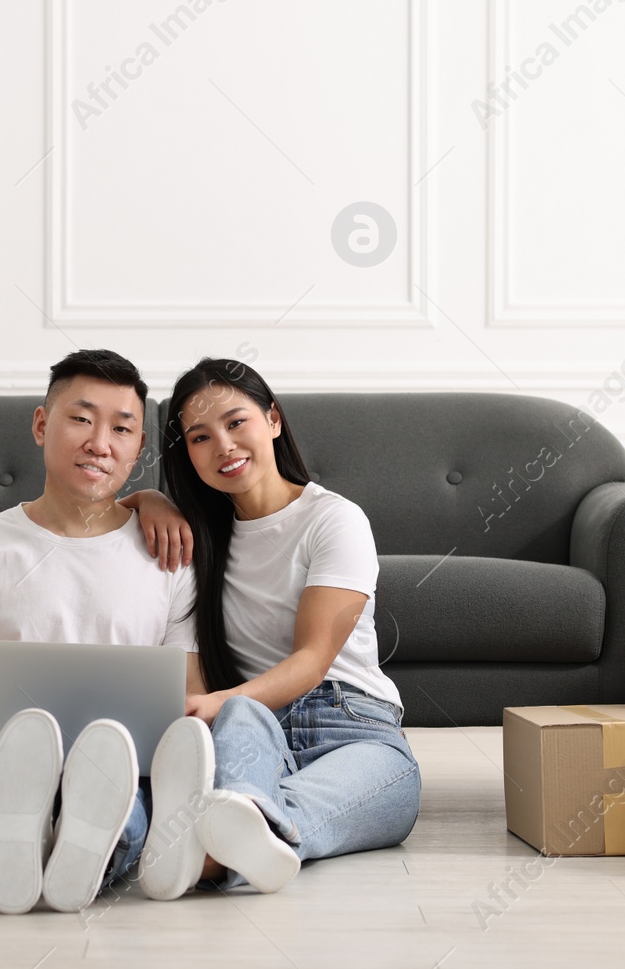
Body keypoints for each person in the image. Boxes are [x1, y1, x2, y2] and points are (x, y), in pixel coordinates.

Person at [0, 348, 210, 915]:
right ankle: (12, 845)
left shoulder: (171, 555)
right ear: (42, 424)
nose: (101, 442)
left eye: (122, 428)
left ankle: (81, 849)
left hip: (122, 762)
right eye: (82, 419)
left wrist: (88, 757)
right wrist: (45, 745)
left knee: (126, 793)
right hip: (2, 745)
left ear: (137, 450)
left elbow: (185, 701)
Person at [137, 356, 422, 898]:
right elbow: (98, 513)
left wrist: (213, 703)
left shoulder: (334, 519)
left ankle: (221, 841)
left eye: (235, 421)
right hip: (251, 727)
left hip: (351, 724)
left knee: (395, 787)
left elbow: (313, 660)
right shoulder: (197, 539)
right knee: (243, 713)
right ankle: (231, 835)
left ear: (273, 419)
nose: (222, 445)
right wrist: (147, 499)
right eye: (200, 437)